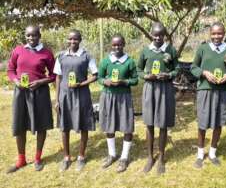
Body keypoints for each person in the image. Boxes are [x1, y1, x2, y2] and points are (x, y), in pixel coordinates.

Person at [7, 25, 55, 173]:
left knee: (41, 125)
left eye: (34, 35)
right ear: (25, 36)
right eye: (28, 35)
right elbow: (10, 70)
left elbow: (54, 75)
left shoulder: (46, 53)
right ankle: (21, 160)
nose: (31, 38)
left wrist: (40, 82)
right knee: (20, 124)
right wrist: (16, 82)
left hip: (40, 93)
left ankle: (38, 158)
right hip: (21, 93)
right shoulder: (18, 50)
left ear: (39, 35)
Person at [191, 22, 226, 168]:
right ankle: (200, 154)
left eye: (219, 33)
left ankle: (212, 153)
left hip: (222, 91)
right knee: (203, 122)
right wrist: (204, 73)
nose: (216, 36)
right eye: (214, 33)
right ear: (210, 34)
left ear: (224, 34)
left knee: (219, 122)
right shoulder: (203, 49)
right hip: (205, 90)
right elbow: (193, 67)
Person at [137, 22, 178, 174]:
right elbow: (138, 69)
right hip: (149, 88)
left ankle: (161, 157)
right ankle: (149, 157)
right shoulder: (145, 51)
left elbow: (177, 68)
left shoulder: (170, 50)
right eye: (155, 35)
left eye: (161, 35)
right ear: (151, 34)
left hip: (165, 89)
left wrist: (169, 75)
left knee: (162, 123)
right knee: (149, 123)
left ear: (164, 35)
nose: (158, 37)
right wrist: (146, 76)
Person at [54, 29, 98, 171]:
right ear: (67, 40)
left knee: (84, 124)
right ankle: (66, 157)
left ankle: (81, 156)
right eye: (70, 39)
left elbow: (95, 75)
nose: (72, 42)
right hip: (65, 95)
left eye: (76, 39)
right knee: (65, 126)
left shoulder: (86, 56)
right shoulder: (61, 56)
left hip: (82, 94)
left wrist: (82, 84)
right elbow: (58, 77)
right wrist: (57, 99)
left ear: (80, 40)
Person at [98, 34, 138, 173]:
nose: (117, 47)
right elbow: (99, 77)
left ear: (124, 44)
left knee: (127, 126)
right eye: (114, 45)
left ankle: (124, 157)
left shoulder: (129, 62)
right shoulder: (105, 61)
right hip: (108, 96)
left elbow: (135, 80)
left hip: (124, 97)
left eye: (119, 44)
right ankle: (112, 154)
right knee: (109, 126)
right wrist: (105, 81)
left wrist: (123, 82)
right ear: (111, 45)